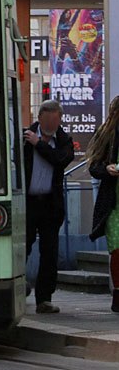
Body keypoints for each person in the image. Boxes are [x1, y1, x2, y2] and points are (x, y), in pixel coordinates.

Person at [24, 99, 75, 314]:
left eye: (56, 121)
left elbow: (60, 160)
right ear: (39, 118)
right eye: (48, 121)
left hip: (50, 205)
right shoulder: (25, 137)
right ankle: (17, 288)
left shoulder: (63, 140)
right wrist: (34, 141)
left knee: (49, 252)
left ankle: (44, 298)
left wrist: (39, 144)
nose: (52, 126)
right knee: (21, 247)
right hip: (26, 204)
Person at [87, 94, 119, 313]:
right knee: (117, 250)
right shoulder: (107, 134)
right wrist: (106, 170)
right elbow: (94, 166)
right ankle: (118, 294)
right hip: (114, 203)